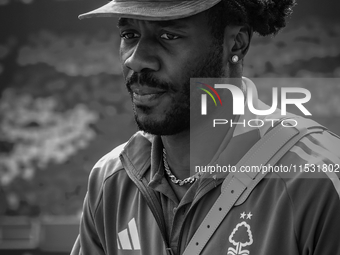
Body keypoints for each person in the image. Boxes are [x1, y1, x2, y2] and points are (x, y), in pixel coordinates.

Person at [71, 0, 340, 254]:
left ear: (236, 43)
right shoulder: (110, 181)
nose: (136, 60)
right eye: (129, 34)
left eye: (169, 36)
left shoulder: (317, 182)